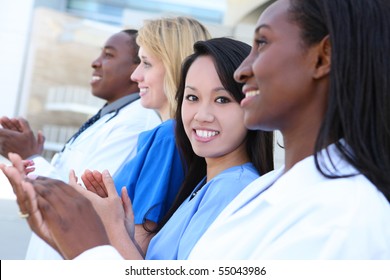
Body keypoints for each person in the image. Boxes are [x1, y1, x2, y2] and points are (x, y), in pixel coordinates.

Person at [5, 0, 390, 260]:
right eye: (190, 98)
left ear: (323, 56)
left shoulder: (340, 219)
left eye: (262, 44)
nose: (244, 70)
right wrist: (86, 230)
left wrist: (91, 243)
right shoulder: (260, 192)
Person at [1, 29, 162, 259]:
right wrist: (29, 156)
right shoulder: (112, 116)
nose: (95, 63)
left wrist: (30, 156)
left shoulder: (136, 124)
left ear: (136, 68)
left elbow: (84, 201)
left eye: (108, 55)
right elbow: (67, 179)